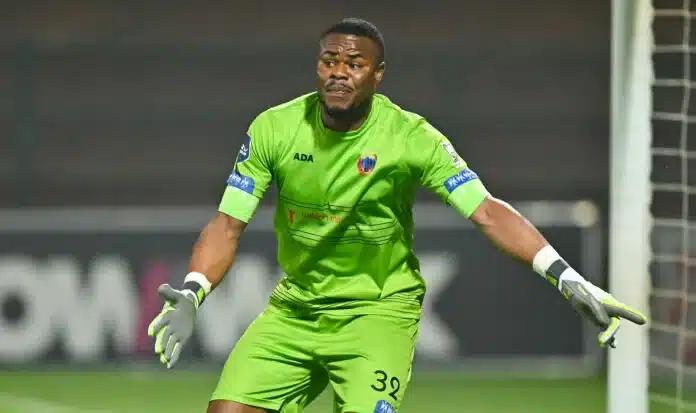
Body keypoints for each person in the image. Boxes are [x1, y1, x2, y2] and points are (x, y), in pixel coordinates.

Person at [147, 17, 647, 413]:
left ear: (377, 74)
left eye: (354, 63)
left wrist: (564, 276)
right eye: (329, 61)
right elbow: (228, 224)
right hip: (296, 310)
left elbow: (488, 211)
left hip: (378, 316)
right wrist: (192, 291)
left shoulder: (410, 138)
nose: (339, 72)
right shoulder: (273, 129)